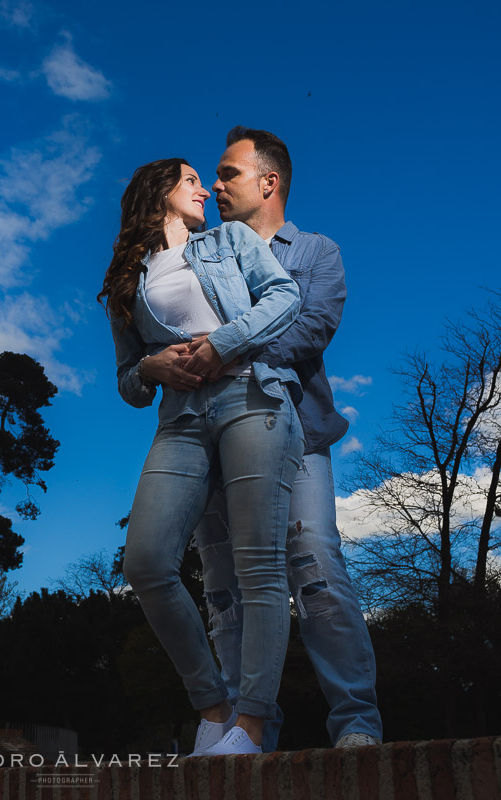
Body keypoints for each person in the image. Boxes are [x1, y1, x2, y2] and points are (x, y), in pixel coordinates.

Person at [100, 157, 303, 756]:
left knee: (258, 565)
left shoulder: (232, 241)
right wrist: (149, 367)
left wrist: (223, 342)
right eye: (191, 181)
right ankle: (213, 710)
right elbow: (127, 382)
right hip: (181, 422)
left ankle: (253, 725)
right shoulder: (124, 282)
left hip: (250, 397)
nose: (205, 193)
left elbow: (284, 296)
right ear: (158, 191)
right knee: (146, 562)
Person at [193, 126, 383, 751]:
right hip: (214, 444)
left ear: (268, 182)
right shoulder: (200, 252)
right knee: (227, 589)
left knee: (316, 568)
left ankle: (355, 723)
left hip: (297, 439)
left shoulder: (315, 253)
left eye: (229, 173)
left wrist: (218, 353)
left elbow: (307, 334)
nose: (215, 185)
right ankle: (247, 732)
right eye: (214, 177)